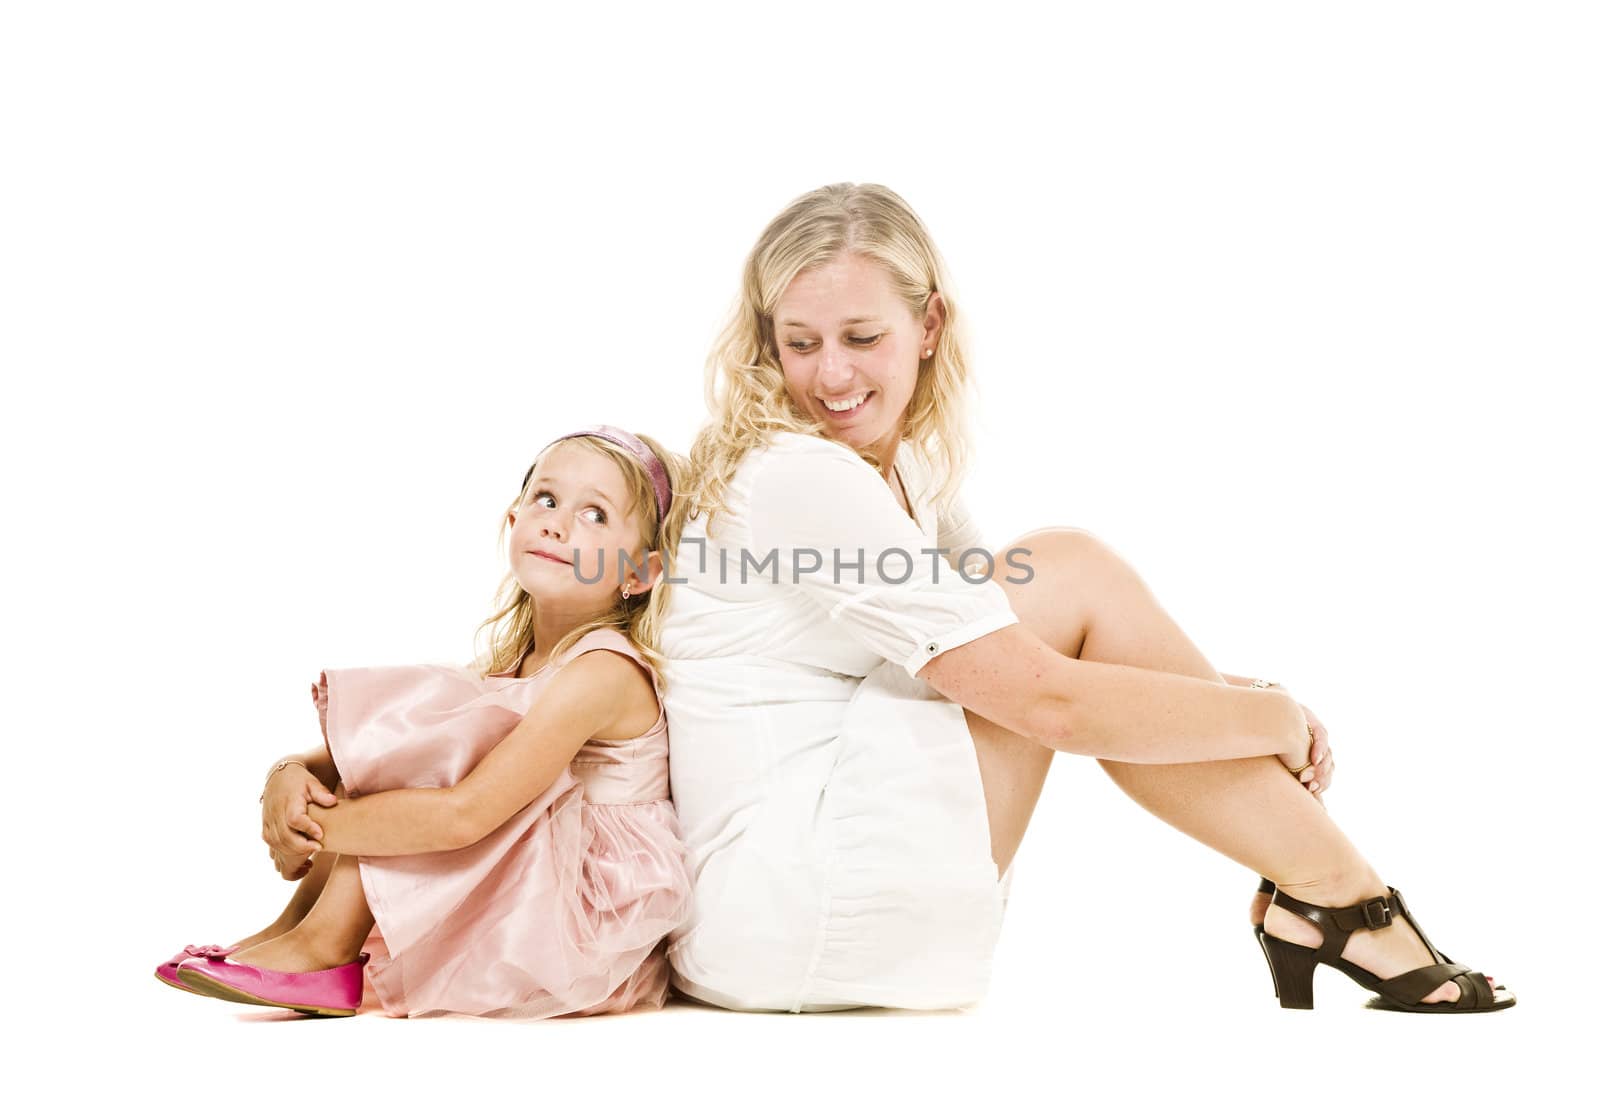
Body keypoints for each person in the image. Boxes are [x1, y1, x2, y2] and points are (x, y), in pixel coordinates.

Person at [655, 183, 1512, 1015]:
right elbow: (1048, 701)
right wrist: (1274, 718)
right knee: (1066, 570)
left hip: (788, 908)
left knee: (1063, 589)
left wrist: (1231, 699)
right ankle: (1346, 901)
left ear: (928, 325)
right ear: (766, 343)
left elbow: (1038, 649)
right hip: (792, 901)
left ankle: (1330, 899)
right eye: (799, 343)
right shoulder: (796, 474)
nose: (829, 373)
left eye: (860, 335)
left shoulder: (901, 466)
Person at [155, 426, 694, 1018]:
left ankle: (323, 950)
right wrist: (286, 776)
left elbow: (468, 814)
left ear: (639, 573)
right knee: (417, 745)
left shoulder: (602, 671)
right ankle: (293, 929)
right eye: (546, 499)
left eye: (594, 514)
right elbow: (382, 748)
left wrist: (315, 827)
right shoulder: (517, 665)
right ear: (513, 520)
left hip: (587, 924)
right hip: (536, 881)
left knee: (428, 784)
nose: (557, 524)